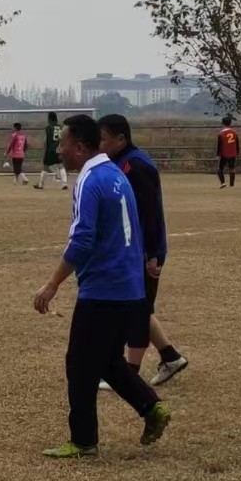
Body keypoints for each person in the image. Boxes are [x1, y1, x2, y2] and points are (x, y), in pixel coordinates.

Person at [33, 115, 171, 460]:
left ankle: (83, 441)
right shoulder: (114, 174)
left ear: (79, 148)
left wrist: (52, 285)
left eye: (62, 143)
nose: (59, 149)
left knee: (79, 364)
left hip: (104, 289)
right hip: (128, 287)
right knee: (107, 360)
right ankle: (151, 408)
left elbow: (82, 240)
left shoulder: (90, 180)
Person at [99, 115, 188, 386]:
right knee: (138, 307)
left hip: (144, 251)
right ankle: (170, 357)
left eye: (102, 139)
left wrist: (152, 254)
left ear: (120, 139)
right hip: (131, 250)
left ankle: (129, 373)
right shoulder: (119, 164)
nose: (98, 144)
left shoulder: (136, 166)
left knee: (136, 309)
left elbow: (149, 215)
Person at [35, 111, 67, 189]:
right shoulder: (60, 126)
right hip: (59, 148)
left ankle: (40, 184)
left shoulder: (48, 127)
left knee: (46, 166)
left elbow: (45, 140)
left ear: (49, 118)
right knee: (61, 166)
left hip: (51, 150)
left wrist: (44, 149)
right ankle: (64, 184)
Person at [217, 116, 240, 188]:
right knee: (232, 168)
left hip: (224, 153)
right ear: (230, 123)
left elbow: (219, 145)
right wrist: (237, 152)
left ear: (223, 123)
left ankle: (223, 183)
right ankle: (232, 184)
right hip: (233, 153)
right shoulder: (235, 133)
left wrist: (218, 154)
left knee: (220, 168)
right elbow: (237, 143)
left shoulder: (221, 133)